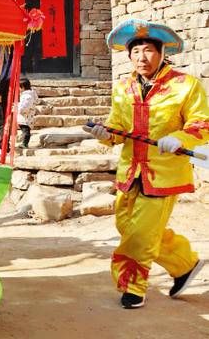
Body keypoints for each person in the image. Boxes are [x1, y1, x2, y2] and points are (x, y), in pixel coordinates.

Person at [84, 19, 207, 310]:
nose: (142, 57)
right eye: (136, 50)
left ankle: (133, 287)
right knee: (130, 227)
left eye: (149, 50)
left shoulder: (185, 86)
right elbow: (117, 126)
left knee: (139, 236)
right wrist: (105, 134)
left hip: (163, 175)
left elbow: (203, 124)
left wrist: (179, 137)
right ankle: (185, 264)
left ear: (162, 52)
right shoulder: (122, 88)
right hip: (129, 171)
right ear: (128, 55)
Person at [16, 77, 38, 148]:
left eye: (19, 87)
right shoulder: (28, 95)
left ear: (22, 87)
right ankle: (24, 143)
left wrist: (19, 109)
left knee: (26, 130)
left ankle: (25, 143)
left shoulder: (27, 96)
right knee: (25, 130)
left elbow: (25, 106)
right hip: (26, 116)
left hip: (25, 116)